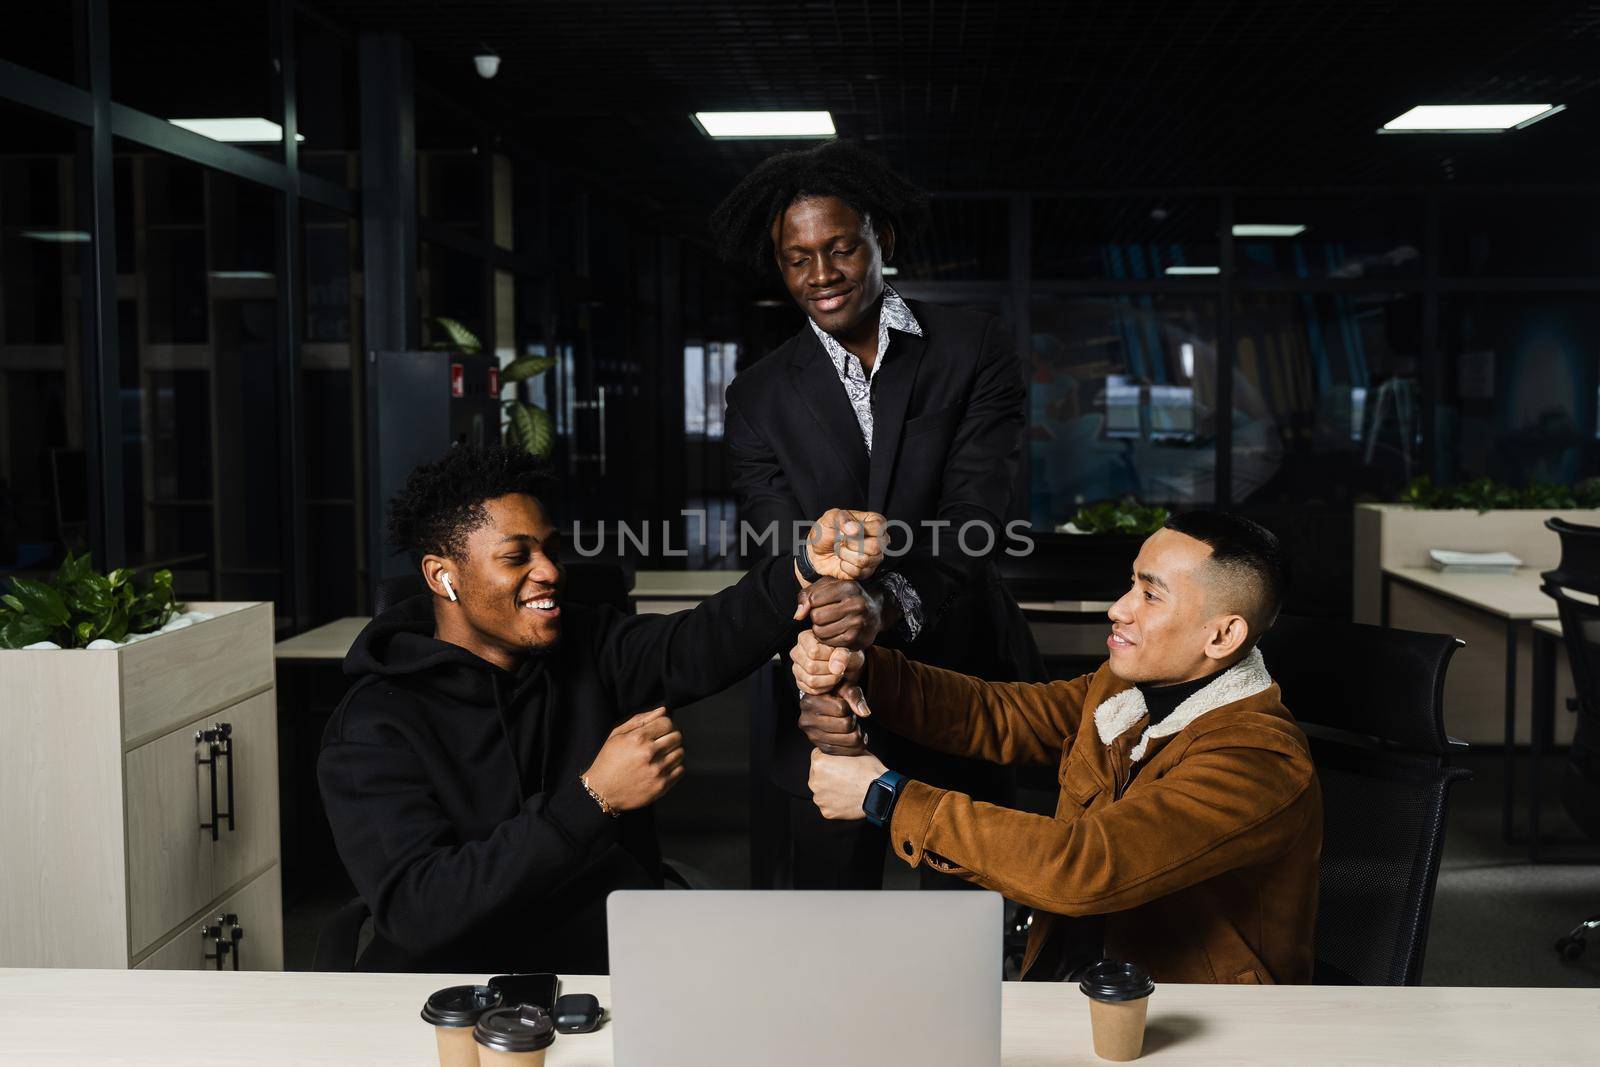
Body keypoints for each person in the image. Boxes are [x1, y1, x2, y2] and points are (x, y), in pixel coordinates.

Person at [318, 444, 883, 973]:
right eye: (517, 557)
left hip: (605, 968)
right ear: (442, 575)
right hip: (453, 989)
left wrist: (803, 570)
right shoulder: (374, 725)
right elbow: (420, 908)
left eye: (550, 550)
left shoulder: (587, 643)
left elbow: (696, 643)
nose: (550, 572)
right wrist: (595, 799)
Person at [711, 138, 1043, 889]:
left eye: (840, 248)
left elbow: (977, 515)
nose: (821, 275)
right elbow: (778, 541)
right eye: (798, 259)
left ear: (879, 238)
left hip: (965, 679)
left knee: (968, 923)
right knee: (834, 930)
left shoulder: (973, 348)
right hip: (828, 693)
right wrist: (831, 650)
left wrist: (882, 605)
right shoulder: (758, 395)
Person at [796, 512, 1321, 984]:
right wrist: (866, 671)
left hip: (1193, 1022)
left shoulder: (1258, 758)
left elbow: (1084, 866)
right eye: (1130, 584)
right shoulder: (1126, 690)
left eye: (1151, 595)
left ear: (1223, 636)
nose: (1118, 609)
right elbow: (1000, 716)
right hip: (1080, 986)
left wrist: (884, 796)